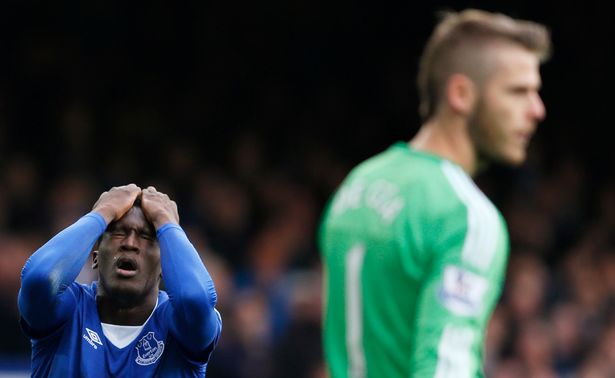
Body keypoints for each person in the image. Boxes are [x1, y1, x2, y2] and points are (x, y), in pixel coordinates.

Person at [319, 9, 551, 378]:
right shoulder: (466, 216)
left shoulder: (357, 185)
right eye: (518, 91)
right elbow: (444, 369)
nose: (537, 110)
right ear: (461, 93)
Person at [18, 184, 221, 377]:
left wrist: (166, 222)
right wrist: (102, 213)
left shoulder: (179, 324)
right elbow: (39, 279)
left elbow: (195, 299)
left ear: (165, 267)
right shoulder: (69, 311)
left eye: (146, 236)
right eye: (118, 232)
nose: (130, 243)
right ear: (95, 257)